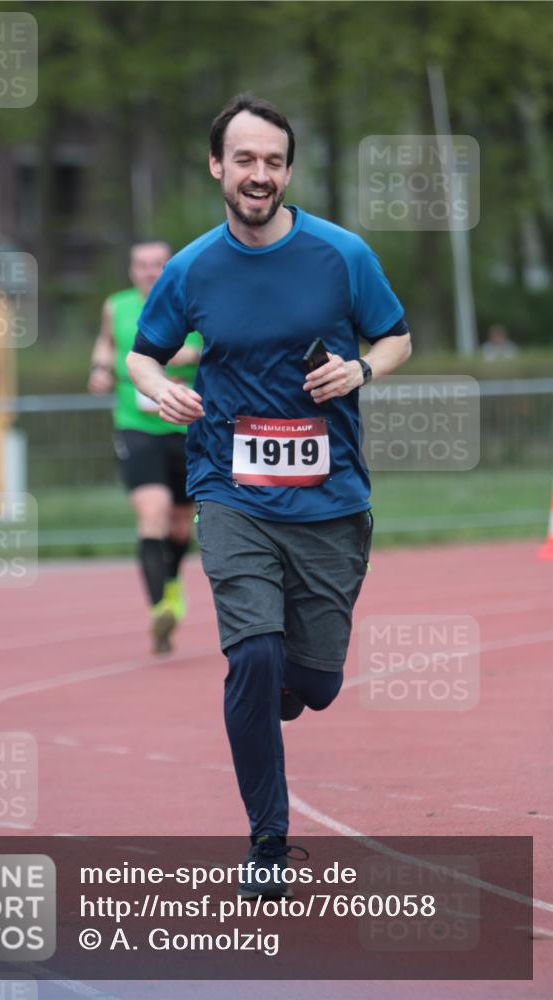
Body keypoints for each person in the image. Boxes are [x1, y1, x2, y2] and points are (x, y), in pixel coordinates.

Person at [126, 95, 412, 894]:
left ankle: (290, 683)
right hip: (230, 489)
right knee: (251, 652)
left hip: (330, 499)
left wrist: (361, 369)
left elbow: (395, 335)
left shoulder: (341, 254)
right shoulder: (190, 269)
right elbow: (142, 356)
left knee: (313, 685)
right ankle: (267, 841)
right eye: (244, 159)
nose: (260, 175)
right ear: (217, 166)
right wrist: (157, 392)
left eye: (273, 161)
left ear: (288, 170)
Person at [89, 240, 202, 653]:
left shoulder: (192, 299)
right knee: (152, 512)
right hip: (135, 426)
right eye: (141, 265)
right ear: (132, 269)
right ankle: (159, 610)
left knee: (177, 524)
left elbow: (220, 345)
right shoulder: (116, 306)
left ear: (169, 268)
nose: (149, 272)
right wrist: (100, 367)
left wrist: (187, 352)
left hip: (188, 428)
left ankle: (171, 585)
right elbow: (106, 341)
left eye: (157, 265)